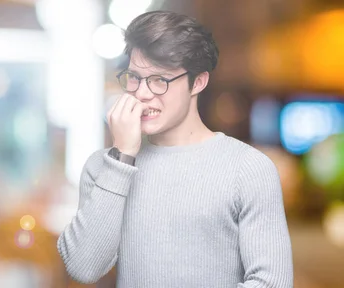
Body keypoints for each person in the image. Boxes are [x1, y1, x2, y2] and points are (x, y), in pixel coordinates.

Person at [56, 10, 293, 288]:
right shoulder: (104, 168)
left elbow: (272, 282)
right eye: (134, 77)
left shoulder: (248, 168)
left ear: (199, 82)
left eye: (160, 80)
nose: (142, 93)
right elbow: (84, 268)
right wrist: (122, 156)